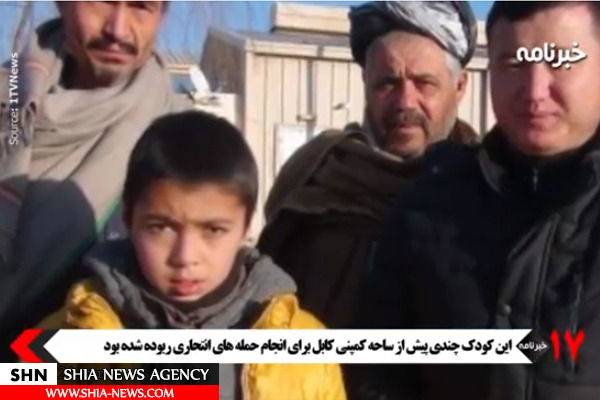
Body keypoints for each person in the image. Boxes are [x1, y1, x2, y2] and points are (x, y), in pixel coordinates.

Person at [359, 2, 600, 399]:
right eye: (513, 64)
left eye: (560, 61)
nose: (535, 92)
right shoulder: (428, 208)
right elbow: (380, 372)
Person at [37, 110, 346, 400]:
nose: (185, 257)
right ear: (129, 219)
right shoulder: (61, 340)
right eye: (161, 227)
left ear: (245, 227)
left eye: (213, 230)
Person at [257, 1, 480, 329]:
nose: (404, 102)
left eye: (424, 83)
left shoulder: (489, 192)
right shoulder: (314, 177)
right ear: (365, 83)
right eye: (387, 83)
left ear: (459, 87)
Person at [0, 1, 190, 360]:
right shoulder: (8, 98)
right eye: (101, 2)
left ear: (161, 17)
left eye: (141, 7)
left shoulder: (180, 143)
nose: (117, 29)